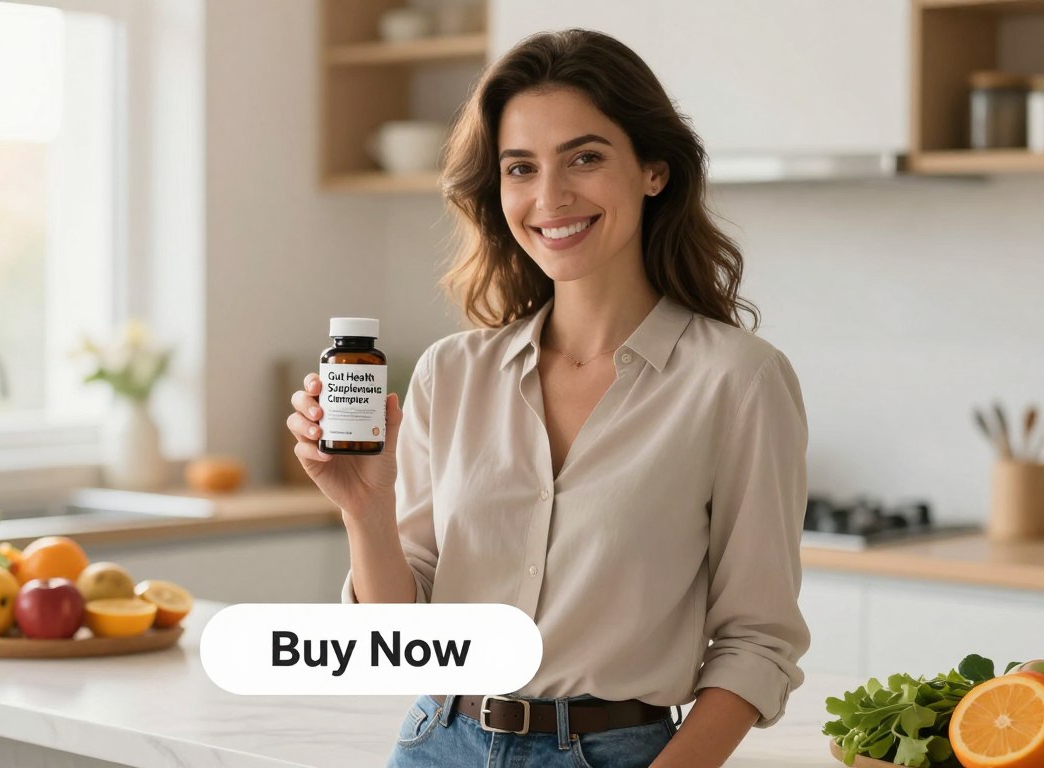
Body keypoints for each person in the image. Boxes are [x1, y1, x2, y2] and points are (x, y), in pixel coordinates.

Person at [287, 28, 808, 768]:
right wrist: (364, 509)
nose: (550, 196)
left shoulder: (738, 381)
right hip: (438, 744)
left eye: (585, 158)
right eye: (520, 167)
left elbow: (759, 642)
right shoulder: (452, 372)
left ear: (654, 170)